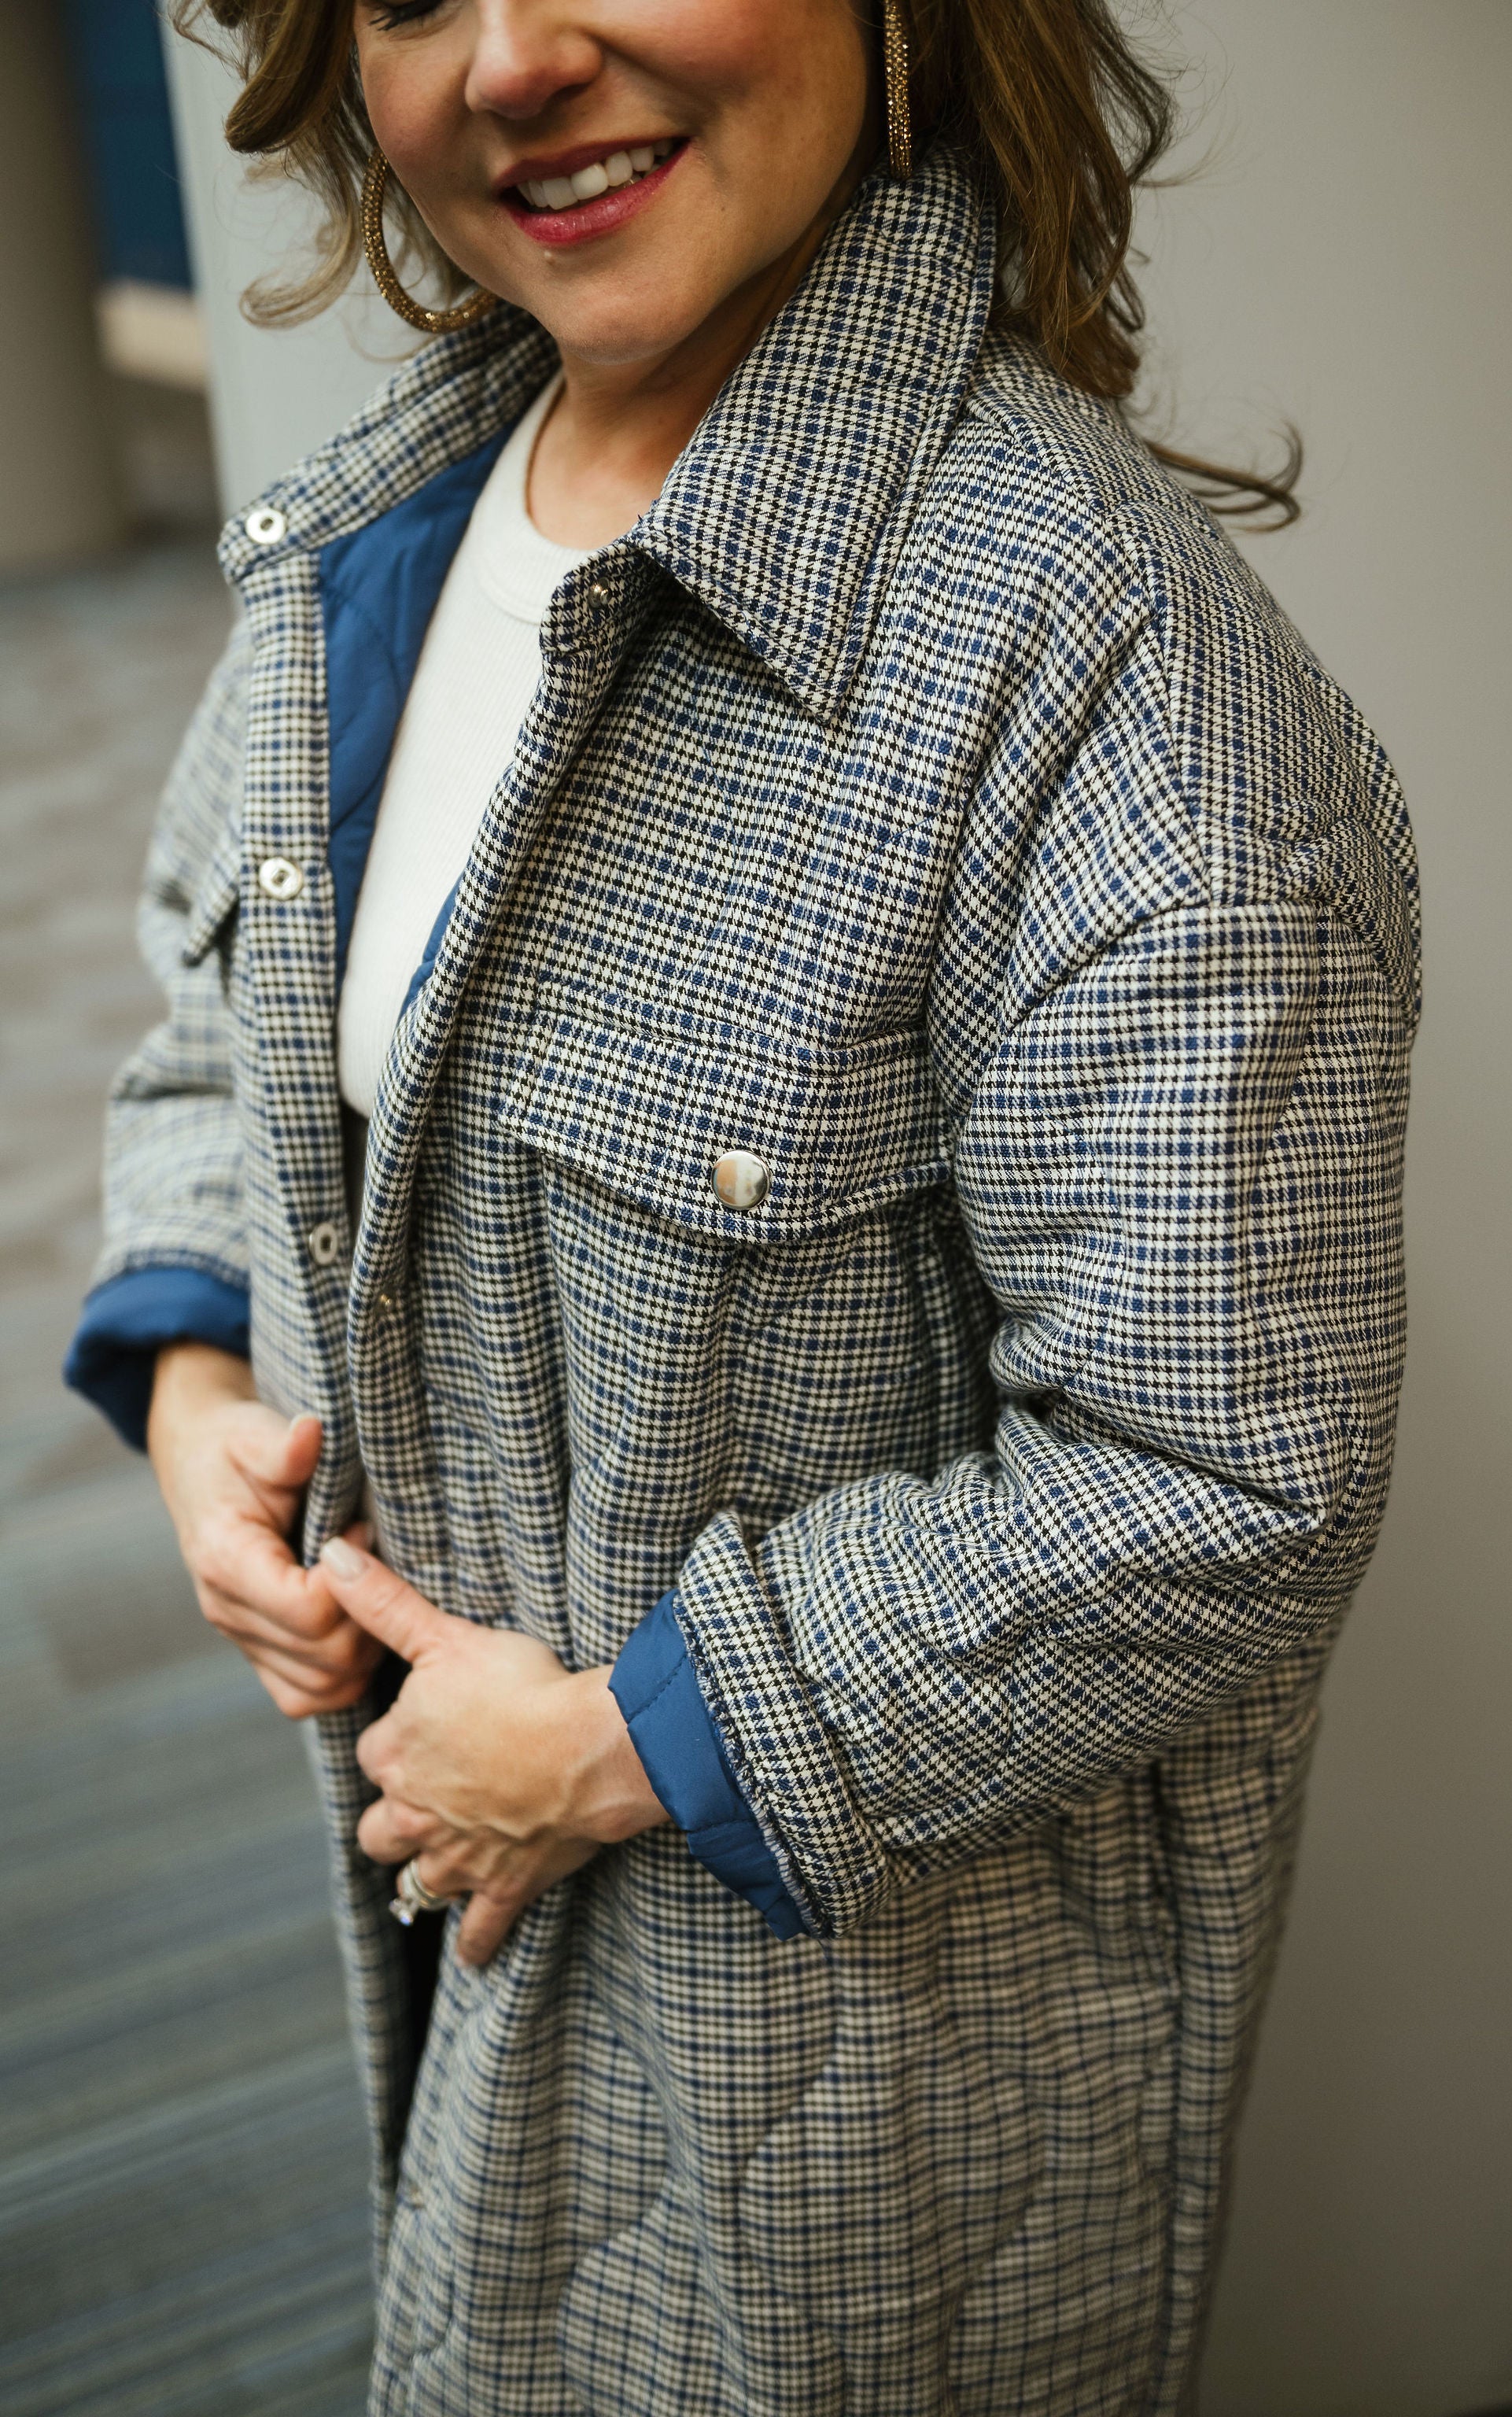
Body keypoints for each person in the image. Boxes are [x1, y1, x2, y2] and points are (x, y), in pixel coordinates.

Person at [65, 1, 1418, 2408]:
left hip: (840, 2077)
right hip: (459, 1924)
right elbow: (216, 1019)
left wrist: (612, 1745)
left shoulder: (1124, 680)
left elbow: (1223, 1479)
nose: (509, 58)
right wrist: (191, 1396)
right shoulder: (380, 534)